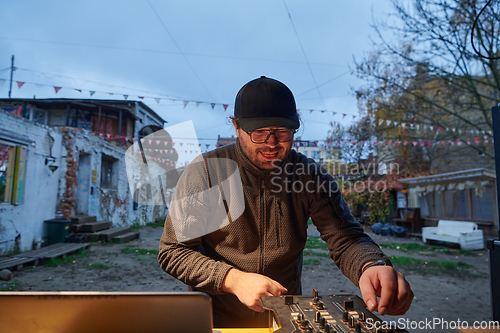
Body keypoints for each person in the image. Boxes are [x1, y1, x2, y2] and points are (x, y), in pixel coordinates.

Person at [158, 76, 413, 328]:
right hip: (217, 316)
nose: (272, 143)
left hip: (286, 315)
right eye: (259, 132)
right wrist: (233, 279)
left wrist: (371, 264)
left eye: (282, 132)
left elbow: (346, 237)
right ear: (236, 127)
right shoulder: (207, 171)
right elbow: (174, 251)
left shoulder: (310, 175)